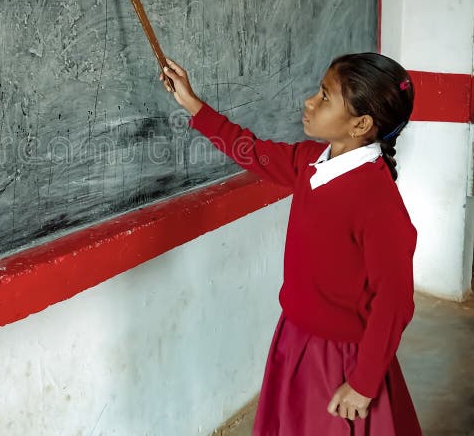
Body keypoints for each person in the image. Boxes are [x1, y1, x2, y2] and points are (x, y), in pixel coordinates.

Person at [160, 52, 422, 435]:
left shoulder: (378, 203)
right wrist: (191, 102)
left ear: (360, 124)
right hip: (296, 337)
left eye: (325, 97)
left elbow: (395, 301)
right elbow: (247, 148)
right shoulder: (310, 161)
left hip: (341, 359)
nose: (309, 102)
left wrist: (363, 386)